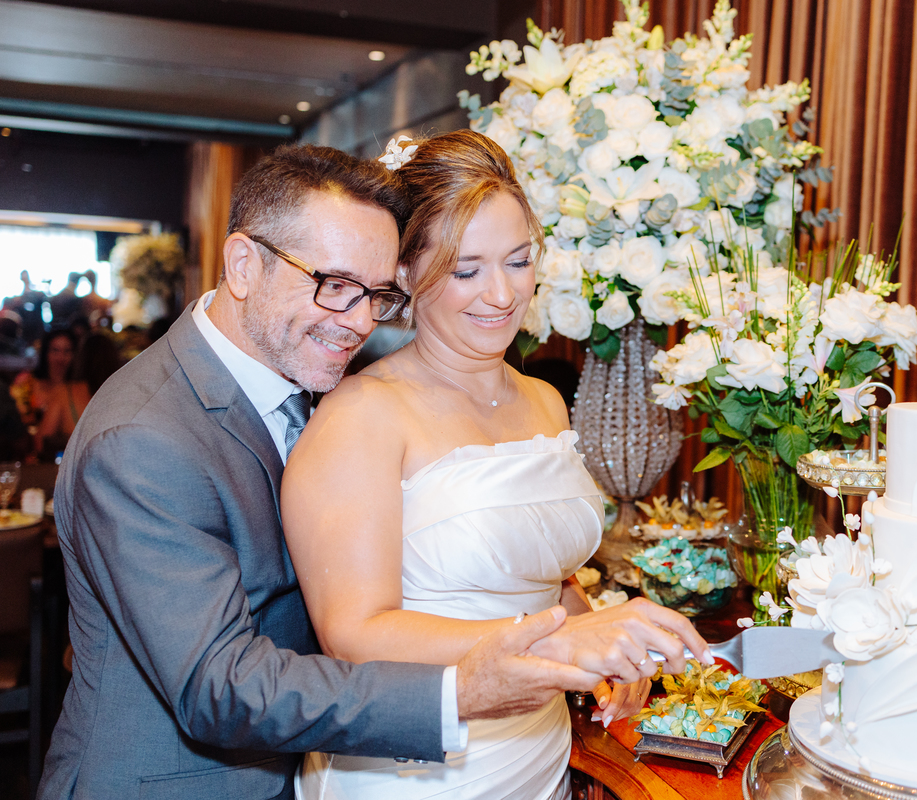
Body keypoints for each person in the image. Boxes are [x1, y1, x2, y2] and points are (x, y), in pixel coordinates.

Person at [39, 144, 679, 800]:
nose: (359, 322)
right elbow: (221, 688)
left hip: (367, 754)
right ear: (241, 265)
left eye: (374, 294)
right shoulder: (142, 438)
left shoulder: (300, 368)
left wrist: (591, 630)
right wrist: (484, 679)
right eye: (335, 286)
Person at [283, 130, 706, 800]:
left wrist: (605, 642)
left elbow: (544, 578)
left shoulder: (542, 400)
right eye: (466, 270)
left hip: (536, 747)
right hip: (416, 767)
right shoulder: (363, 414)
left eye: (517, 260)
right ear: (407, 274)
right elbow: (353, 634)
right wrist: (563, 643)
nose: (503, 294)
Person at [10, 328, 92, 461]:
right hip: (24, 455)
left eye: (67, 351)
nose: (61, 357)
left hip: (60, 458)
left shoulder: (77, 391)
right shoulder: (26, 383)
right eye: (55, 350)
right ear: (45, 353)